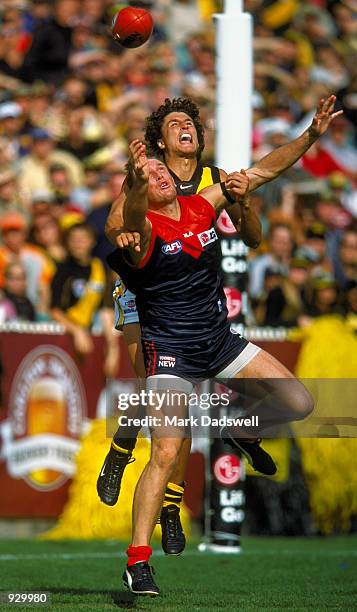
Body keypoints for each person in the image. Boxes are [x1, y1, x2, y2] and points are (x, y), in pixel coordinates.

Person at [97, 94, 342, 554]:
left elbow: (265, 180)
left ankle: (173, 504)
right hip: (144, 286)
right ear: (159, 141)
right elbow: (117, 226)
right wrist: (129, 230)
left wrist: (309, 136)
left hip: (194, 296)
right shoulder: (147, 175)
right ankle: (121, 448)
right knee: (153, 384)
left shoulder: (213, 180)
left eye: (190, 121)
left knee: (177, 405)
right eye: (174, 123)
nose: (185, 127)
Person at [109, 142, 313, 596]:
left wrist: (311, 134)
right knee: (164, 453)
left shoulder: (202, 205)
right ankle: (138, 561)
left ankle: (239, 426)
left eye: (163, 170)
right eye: (151, 172)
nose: (161, 174)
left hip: (219, 343)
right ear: (140, 187)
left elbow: (261, 172)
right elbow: (135, 209)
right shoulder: (143, 228)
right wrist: (138, 180)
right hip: (171, 353)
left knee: (300, 402)